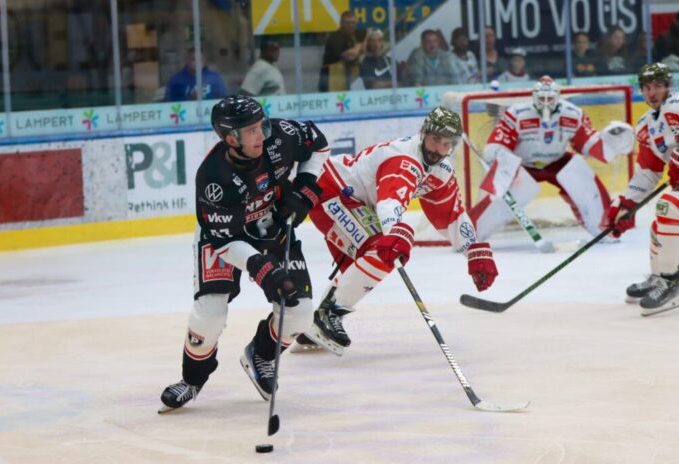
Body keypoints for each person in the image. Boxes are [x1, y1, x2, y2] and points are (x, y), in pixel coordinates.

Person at [159, 96, 330, 411]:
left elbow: (318, 145)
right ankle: (192, 380)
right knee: (209, 315)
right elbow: (224, 242)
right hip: (224, 238)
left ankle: (262, 355)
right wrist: (262, 269)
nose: (261, 134)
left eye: (261, 125)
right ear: (230, 138)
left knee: (301, 313)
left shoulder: (280, 135)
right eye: (251, 131)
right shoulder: (214, 178)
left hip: (272, 227)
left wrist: (305, 188)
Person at [294, 107, 499, 355]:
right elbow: (390, 202)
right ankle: (327, 315)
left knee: (369, 259)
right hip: (331, 190)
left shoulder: (441, 171)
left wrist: (473, 249)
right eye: (435, 139)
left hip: (357, 203)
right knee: (380, 249)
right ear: (424, 133)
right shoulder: (404, 160)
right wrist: (393, 231)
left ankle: (316, 324)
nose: (438, 149)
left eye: (446, 144)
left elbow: (451, 216)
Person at [468, 75, 635, 241]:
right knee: (505, 193)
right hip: (524, 164)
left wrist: (610, 145)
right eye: (542, 98)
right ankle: (470, 234)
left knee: (580, 174)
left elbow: (587, 144)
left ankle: (604, 228)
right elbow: (499, 143)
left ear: (558, 97)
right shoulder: (517, 114)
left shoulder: (573, 114)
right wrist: (497, 161)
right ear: (534, 97)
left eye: (550, 98)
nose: (546, 103)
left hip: (557, 162)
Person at [604, 63, 679, 316]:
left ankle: (672, 282)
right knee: (661, 224)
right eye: (647, 87)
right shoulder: (646, 125)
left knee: (668, 205)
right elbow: (649, 171)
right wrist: (626, 204)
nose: (652, 92)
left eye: (658, 86)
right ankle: (660, 277)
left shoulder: (677, 106)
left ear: (668, 87)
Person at [318, 11, 366, 92]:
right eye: (348, 23)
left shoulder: (353, 36)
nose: (351, 25)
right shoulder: (335, 37)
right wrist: (359, 46)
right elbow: (349, 56)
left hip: (347, 79)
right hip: (331, 81)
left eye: (353, 23)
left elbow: (370, 33)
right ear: (341, 23)